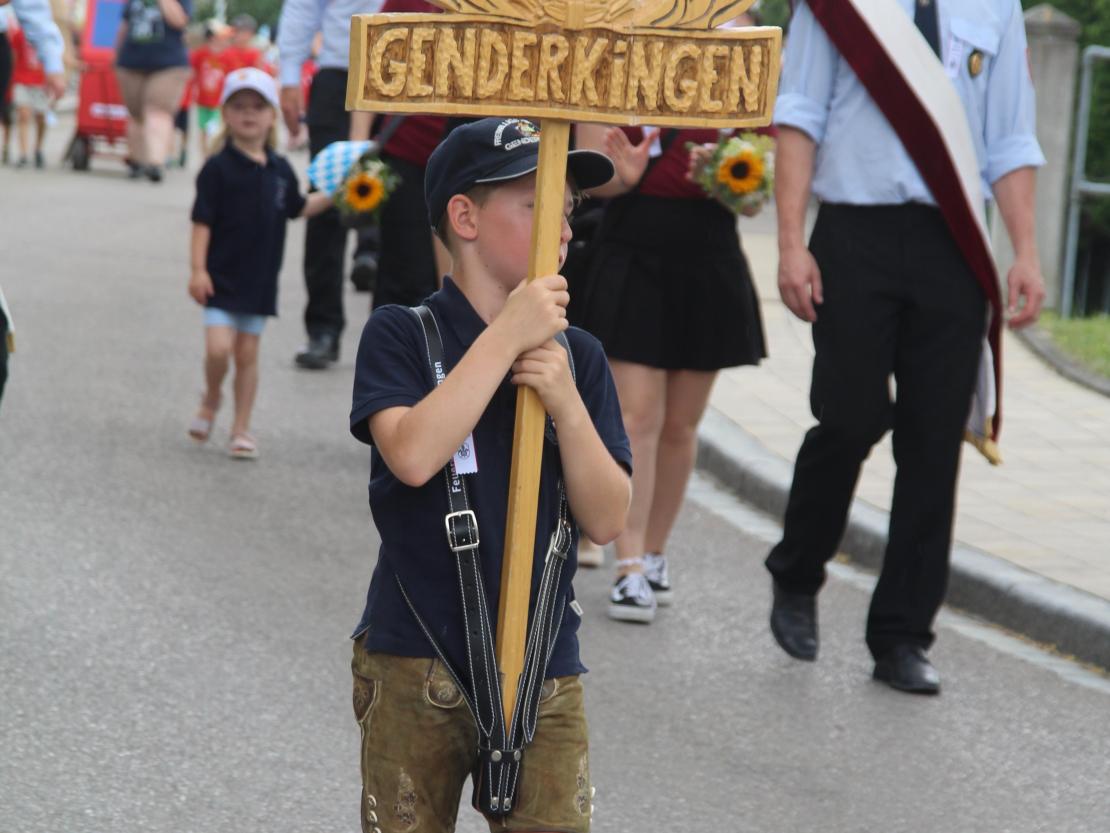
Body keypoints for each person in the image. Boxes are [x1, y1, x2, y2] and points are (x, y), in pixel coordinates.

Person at [347, 117, 628, 833]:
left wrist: (564, 399)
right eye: (536, 207)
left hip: (545, 662)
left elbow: (607, 516)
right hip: (418, 655)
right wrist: (506, 335)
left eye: (568, 213)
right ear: (464, 216)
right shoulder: (402, 333)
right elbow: (411, 455)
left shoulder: (580, 357)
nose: (561, 230)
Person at [765, 0, 1045, 694]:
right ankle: (798, 571)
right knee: (850, 415)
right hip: (854, 234)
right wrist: (791, 241)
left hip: (953, 244)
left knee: (931, 440)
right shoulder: (836, 7)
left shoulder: (996, 8)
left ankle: (901, 634)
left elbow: (1010, 137)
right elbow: (799, 112)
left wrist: (1027, 253)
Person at [573, 119, 767, 623]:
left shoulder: (739, 70)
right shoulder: (619, 57)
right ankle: (629, 562)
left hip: (709, 257)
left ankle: (655, 553)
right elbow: (588, 176)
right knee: (638, 419)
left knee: (682, 425)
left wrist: (724, 178)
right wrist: (625, 176)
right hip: (633, 248)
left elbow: (754, 200)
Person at [186, 68, 330, 459]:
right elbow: (202, 222)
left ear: (271, 116)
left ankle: (241, 427)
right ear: (226, 114)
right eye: (239, 106)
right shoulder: (216, 168)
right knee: (219, 350)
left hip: (259, 280)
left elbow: (300, 208)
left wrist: (340, 193)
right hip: (220, 279)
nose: (248, 114)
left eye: (257, 107)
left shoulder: (280, 170)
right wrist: (198, 270)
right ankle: (212, 396)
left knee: (247, 355)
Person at [277, 0, 384, 370]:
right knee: (326, 202)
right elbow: (304, 5)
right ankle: (323, 327)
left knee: (409, 205)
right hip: (341, 69)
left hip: (411, 70)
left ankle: (399, 340)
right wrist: (289, 73)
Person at [114, 0, 193, 182]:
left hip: (169, 64)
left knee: (158, 111)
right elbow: (125, 26)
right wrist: (116, 55)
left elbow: (179, 20)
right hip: (131, 62)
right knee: (136, 114)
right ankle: (137, 161)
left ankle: (155, 163)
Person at [7, 16, 46, 168]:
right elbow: (14, 58)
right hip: (21, 79)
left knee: (40, 117)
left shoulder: (45, 33)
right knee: (23, 115)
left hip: (40, 81)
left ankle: (38, 148)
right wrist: (10, 81)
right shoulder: (19, 34)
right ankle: (23, 154)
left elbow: (53, 57)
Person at [188, 20, 230, 156]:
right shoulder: (200, 54)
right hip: (203, 100)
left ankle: (215, 154)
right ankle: (205, 155)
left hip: (219, 102)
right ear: (212, 37)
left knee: (217, 130)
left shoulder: (227, 55)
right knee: (203, 129)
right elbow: (192, 73)